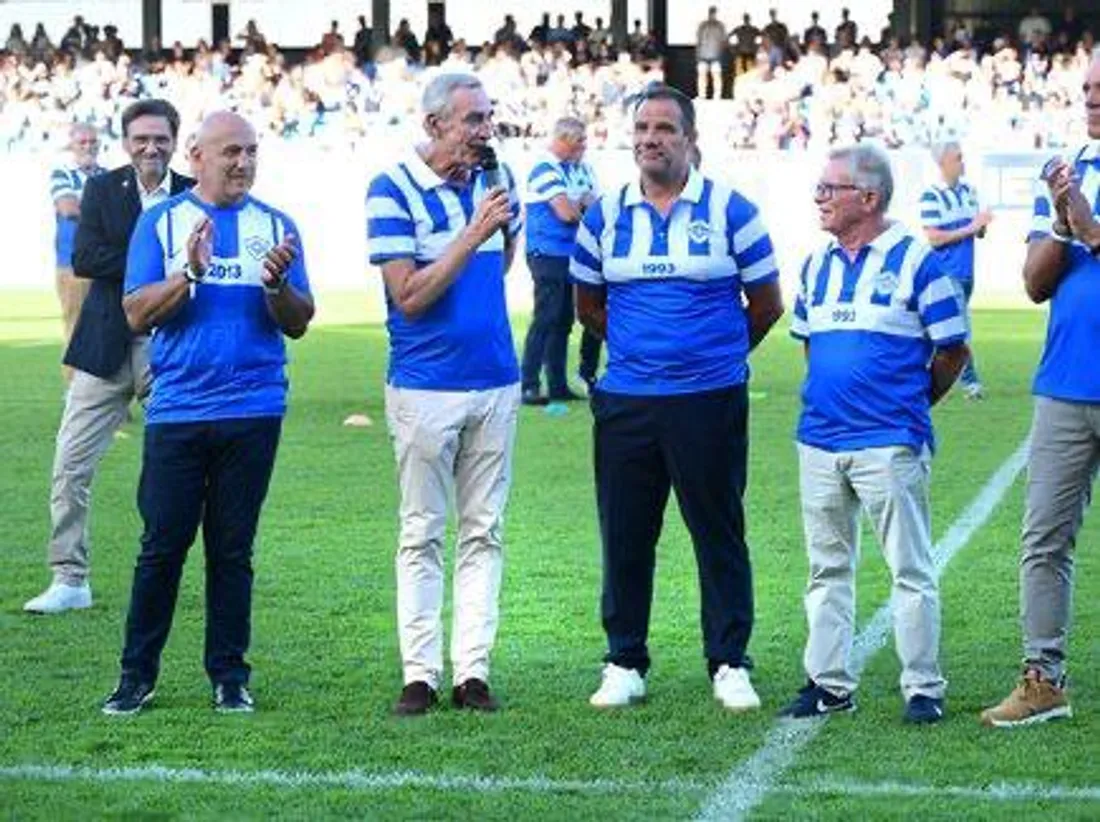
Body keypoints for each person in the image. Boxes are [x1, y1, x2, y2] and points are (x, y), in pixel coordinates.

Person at [571, 85, 783, 711]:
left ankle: (729, 662)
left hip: (709, 400)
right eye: (641, 127)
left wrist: (712, 357)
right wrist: (643, 354)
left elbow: (767, 304)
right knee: (626, 533)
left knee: (718, 530)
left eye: (665, 127)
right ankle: (624, 660)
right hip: (628, 402)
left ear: (691, 140)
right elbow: (588, 306)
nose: (650, 138)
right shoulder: (603, 217)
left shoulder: (731, 211)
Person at [101, 111, 314, 716]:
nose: (242, 163)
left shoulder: (276, 225)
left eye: (251, 151)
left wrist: (277, 286)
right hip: (178, 411)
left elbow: (299, 321)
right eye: (230, 152)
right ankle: (135, 676)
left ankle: (229, 676)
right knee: (161, 547)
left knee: (232, 549)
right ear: (196, 156)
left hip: (254, 409)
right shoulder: (162, 222)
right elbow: (137, 313)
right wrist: (189, 274)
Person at [781, 144, 969, 725]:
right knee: (826, 569)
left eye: (829, 188)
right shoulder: (815, 265)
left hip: (889, 440)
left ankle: (922, 687)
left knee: (909, 568)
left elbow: (952, 349)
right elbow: (811, 345)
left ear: (868, 197)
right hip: (819, 439)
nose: (819, 198)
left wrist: (907, 407)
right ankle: (829, 683)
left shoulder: (918, 261)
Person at [366, 74, 522, 716]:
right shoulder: (391, 189)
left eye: (488, 119)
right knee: (423, 531)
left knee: (484, 530)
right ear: (433, 125)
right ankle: (420, 672)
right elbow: (409, 295)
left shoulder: (495, 178)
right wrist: (473, 232)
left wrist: (493, 229)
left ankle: (473, 671)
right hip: (426, 386)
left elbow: (500, 265)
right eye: (473, 121)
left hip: (495, 379)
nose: (486, 132)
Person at [23, 100, 194, 615]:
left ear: (174, 140)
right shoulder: (100, 189)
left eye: (160, 138)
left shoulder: (192, 194)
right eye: (141, 138)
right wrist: (161, 267)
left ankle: (176, 572)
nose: (150, 147)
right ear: (125, 142)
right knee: (69, 463)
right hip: (103, 349)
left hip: (170, 349)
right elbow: (85, 258)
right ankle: (69, 579)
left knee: (180, 467)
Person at [981, 56, 1100, 728]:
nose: (1091, 99)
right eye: (1086, 88)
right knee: (1044, 541)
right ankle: (1042, 679)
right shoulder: (1067, 168)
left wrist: (1091, 228)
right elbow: (1034, 283)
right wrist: (1061, 222)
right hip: (1064, 385)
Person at [520, 117, 598, 405]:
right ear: (563, 139)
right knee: (546, 316)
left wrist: (579, 206)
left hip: (571, 254)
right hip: (547, 252)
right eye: (580, 141)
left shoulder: (581, 169)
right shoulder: (544, 168)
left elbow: (596, 206)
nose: (584, 147)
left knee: (564, 320)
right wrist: (581, 206)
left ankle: (556, 384)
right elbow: (566, 213)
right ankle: (528, 382)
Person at [920, 141, 993, 400]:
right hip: (945, 273)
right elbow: (934, 238)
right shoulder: (932, 195)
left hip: (966, 273)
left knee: (941, 329)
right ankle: (971, 384)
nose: (963, 162)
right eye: (958, 158)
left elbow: (978, 232)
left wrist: (982, 224)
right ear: (943, 163)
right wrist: (972, 227)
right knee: (959, 329)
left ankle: (920, 372)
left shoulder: (968, 192)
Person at [50, 123, 106, 380]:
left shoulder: (108, 175)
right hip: (74, 264)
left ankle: (108, 394)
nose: (88, 146)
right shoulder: (63, 174)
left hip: (106, 263)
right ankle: (75, 393)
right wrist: (106, 211)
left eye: (92, 141)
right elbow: (68, 209)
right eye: (82, 142)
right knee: (76, 328)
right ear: (71, 145)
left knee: (108, 328)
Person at [695, 6, 727, 100]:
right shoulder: (703, 25)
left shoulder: (720, 25)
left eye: (713, 12)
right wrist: (697, 54)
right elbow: (698, 40)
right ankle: (702, 95)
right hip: (703, 54)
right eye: (711, 12)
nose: (712, 14)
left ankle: (717, 96)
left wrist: (721, 52)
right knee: (702, 76)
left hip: (715, 54)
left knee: (716, 76)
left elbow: (724, 41)